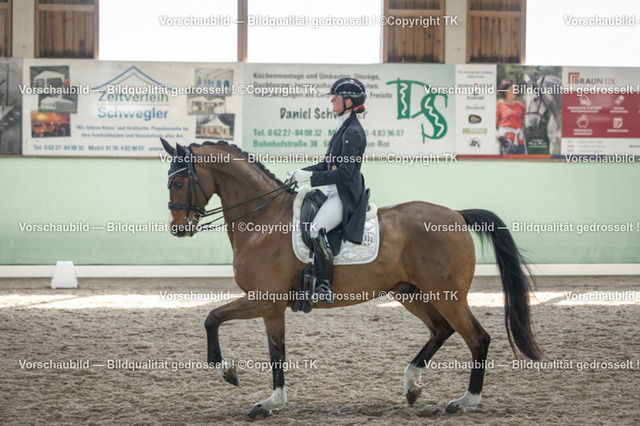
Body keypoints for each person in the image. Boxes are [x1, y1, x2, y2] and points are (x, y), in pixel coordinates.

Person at [288, 77, 370, 304]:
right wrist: (301, 171)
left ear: (349, 101)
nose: (332, 101)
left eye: (336, 97)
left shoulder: (353, 132)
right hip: (332, 190)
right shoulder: (343, 127)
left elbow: (345, 172)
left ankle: (324, 286)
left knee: (316, 229)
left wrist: (311, 178)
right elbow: (327, 165)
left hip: (344, 195)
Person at [496, 79, 527, 154]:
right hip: (505, 142)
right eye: (513, 89)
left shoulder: (519, 105)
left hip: (520, 142)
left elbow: (530, 114)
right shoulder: (499, 105)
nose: (516, 90)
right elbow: (490, 125)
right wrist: (500, 137)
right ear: (506, 92)